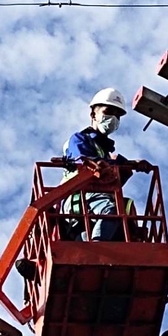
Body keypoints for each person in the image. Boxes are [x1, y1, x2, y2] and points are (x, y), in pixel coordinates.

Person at [61, 87, 151, 241]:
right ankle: (96, 246)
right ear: (93, 114)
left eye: (118, 115)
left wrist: (125, 169)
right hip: (79, 195)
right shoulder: (79, 139)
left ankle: (88, 240)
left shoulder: (104, 150)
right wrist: (126, 163)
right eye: (108, 112)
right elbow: (86, 162)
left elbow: (109, 180)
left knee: (126, 210)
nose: (113, 118)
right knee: (113, 209)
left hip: (96, 200)